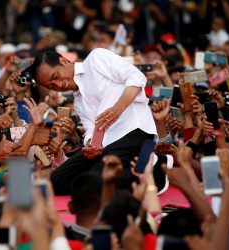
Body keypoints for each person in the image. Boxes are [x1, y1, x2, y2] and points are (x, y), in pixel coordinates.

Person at [25, 48, 157, 194]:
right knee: (55, 183)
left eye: (56, 76)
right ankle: (136, 168)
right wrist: (90, 147)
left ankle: (155, 170)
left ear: (64, 61)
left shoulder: (96, 58)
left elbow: (137, 77)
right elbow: (90, 132)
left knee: (95, 181)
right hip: (106, 146)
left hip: (134, 132)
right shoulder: (78, 102)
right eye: (51, 86)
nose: (59, 85)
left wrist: (117, 108)